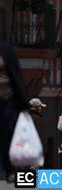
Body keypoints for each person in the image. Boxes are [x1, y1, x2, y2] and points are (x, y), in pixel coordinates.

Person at [0, 43, 30, 181]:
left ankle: (10, 169)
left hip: (6, 97)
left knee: (7, 130)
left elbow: (16, 74)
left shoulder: (7, 51)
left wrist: (24, 101)